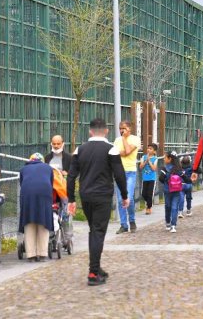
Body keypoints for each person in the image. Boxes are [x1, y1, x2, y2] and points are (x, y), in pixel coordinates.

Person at [67, 118, 128, 286]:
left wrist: (71, 199)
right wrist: (124, 195)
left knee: (93, 230)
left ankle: (96, 267)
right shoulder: (111, 150)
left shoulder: (80, 150)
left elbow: (71, 176)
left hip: (85, 196)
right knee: (98, 232)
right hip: (103, 196)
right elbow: (119, 175)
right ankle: (93, 272)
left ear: (90, 131)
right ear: (107, 131)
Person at [19, 153, 54, 262]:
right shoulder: (48, 168)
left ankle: (31, 255)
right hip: (44, 195)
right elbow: (51, 183)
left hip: (27, 196)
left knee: (29, 223)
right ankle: (42, 253)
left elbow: (22, 183)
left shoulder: (23, 169)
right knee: (43, 222)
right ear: (42, 160)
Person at [114, 120, 141, 234]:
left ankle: (132, 221)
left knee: (128, 198)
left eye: (123, 128)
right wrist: (123, 151)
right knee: (120, 200)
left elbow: (128, 151)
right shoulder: (116, 140)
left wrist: (124, 140)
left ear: (129, 128)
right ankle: (123, 225)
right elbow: (116, 153)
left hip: (130, 172)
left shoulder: (135, 139)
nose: (121, 130)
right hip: (119, 172)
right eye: (120, 128)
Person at [159, 151, 190, 233]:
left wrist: (166, 182)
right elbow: (185, 178)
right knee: (174, 207)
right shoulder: (178, 168)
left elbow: (160, 178)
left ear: (169, 159)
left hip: (167, 190)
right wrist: (190, 181)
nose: (164, 159)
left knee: (167, 206)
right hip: (176, 190)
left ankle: (168, 223)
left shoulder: (164, 168)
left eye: (165, 157)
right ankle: (173, 225)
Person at [139, 143, 159, 215]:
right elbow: (140, 167)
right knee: (144, 194)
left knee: (150, 194)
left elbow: (154, 168)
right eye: (148, 148)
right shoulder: (143, 157)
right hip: (145, 178)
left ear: (154, 151)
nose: (148, 150)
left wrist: (149, 161)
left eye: (150, 149)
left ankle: (148, 207)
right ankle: (149, 204)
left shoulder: (155, 158)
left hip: (152, 179)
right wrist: (145, 161)